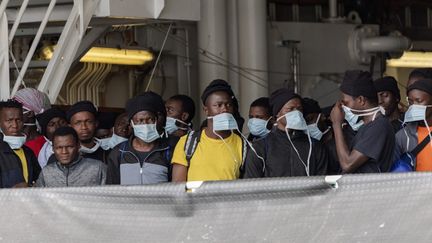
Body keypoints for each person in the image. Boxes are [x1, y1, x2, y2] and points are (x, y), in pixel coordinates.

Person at [171, 79, 246, 182]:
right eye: (218, 105)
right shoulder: (187, 143)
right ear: (206, 110)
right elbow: (178, 188)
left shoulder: (242, 145)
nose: (224, 109)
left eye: (228, 105)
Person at [243, 89, 328, 178]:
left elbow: (322, 183)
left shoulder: (315, 146)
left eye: (299, 109)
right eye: (290, 109)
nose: (296, 113)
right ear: (277, 113)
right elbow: (251, 183)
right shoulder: (260, 147)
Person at [330, 70, 395, 173]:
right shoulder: (367, 125)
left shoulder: (379, 126)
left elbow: (347, 164)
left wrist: (336, 124)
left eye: (345, 102)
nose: (342, 106)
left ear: (361, 100)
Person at [106, 92, 173, 185]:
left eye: (150, 119)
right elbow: (111, 189)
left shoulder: (168, 152)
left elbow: (175, 187)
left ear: (156, 121)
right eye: (140, 120)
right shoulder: (119, 152)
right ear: (132, 124)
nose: (145, 124)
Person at [35, 127, 106, 187]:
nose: (64, 152)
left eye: (69, 147)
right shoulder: (46, 172)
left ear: (78, 146)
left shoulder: (97, 168)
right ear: (53, 149)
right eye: (59, 148)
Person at [0, 100, 41, 187]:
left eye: (18, 120)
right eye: (9, 120)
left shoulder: (28, 152)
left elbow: (39, 180)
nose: (15, 125)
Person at [394, 79, 432, 171]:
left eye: (419, 101)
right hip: (417, 185)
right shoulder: (402, 136)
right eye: (410, 102)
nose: (414, 106)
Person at [13, 88, 51, 158]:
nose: (11, 113)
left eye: (16, 109)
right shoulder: (12, 141)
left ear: (30, 113)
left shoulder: (44, 147)